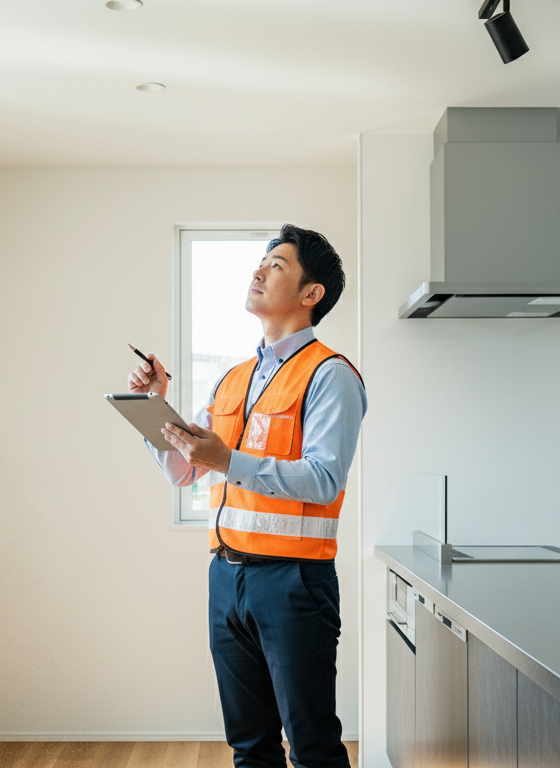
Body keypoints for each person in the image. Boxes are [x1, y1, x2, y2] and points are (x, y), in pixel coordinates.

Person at [128, 224, 366, 768]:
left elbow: (324, 478)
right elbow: (183, 471)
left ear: (312, 294)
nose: (259, 271)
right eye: (261, 263)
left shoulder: (331, 376)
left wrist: (226, 460)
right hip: (226, 577)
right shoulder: (232, 379)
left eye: (277, 265)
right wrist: (152, 407)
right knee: (249, 747)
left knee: (312, 748)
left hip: (294, 585)